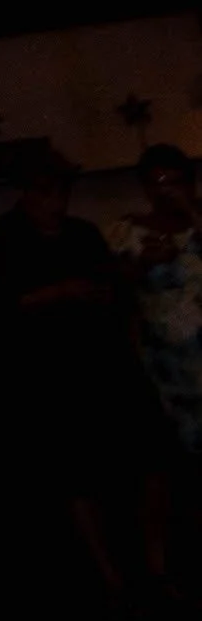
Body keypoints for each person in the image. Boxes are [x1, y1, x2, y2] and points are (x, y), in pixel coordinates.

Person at [0, 157, 177, 596]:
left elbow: (110, 281)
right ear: (27, 193)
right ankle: (110, 574)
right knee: (77, 470)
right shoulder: (1, 237)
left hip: (105, 355)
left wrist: (132, 271)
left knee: (151, 454)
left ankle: (156, 563)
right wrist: (57, 292)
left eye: (61, 192)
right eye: (47, 192)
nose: (57, 202)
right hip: (52, 367)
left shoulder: (83, 232)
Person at [107, 143, 202, 456]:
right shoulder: (129, 230)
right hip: (164, 359)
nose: (165, 192)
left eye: (173, 182)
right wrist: (145, 263)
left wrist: (190, 211)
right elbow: (112, 288)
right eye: (156, 184)